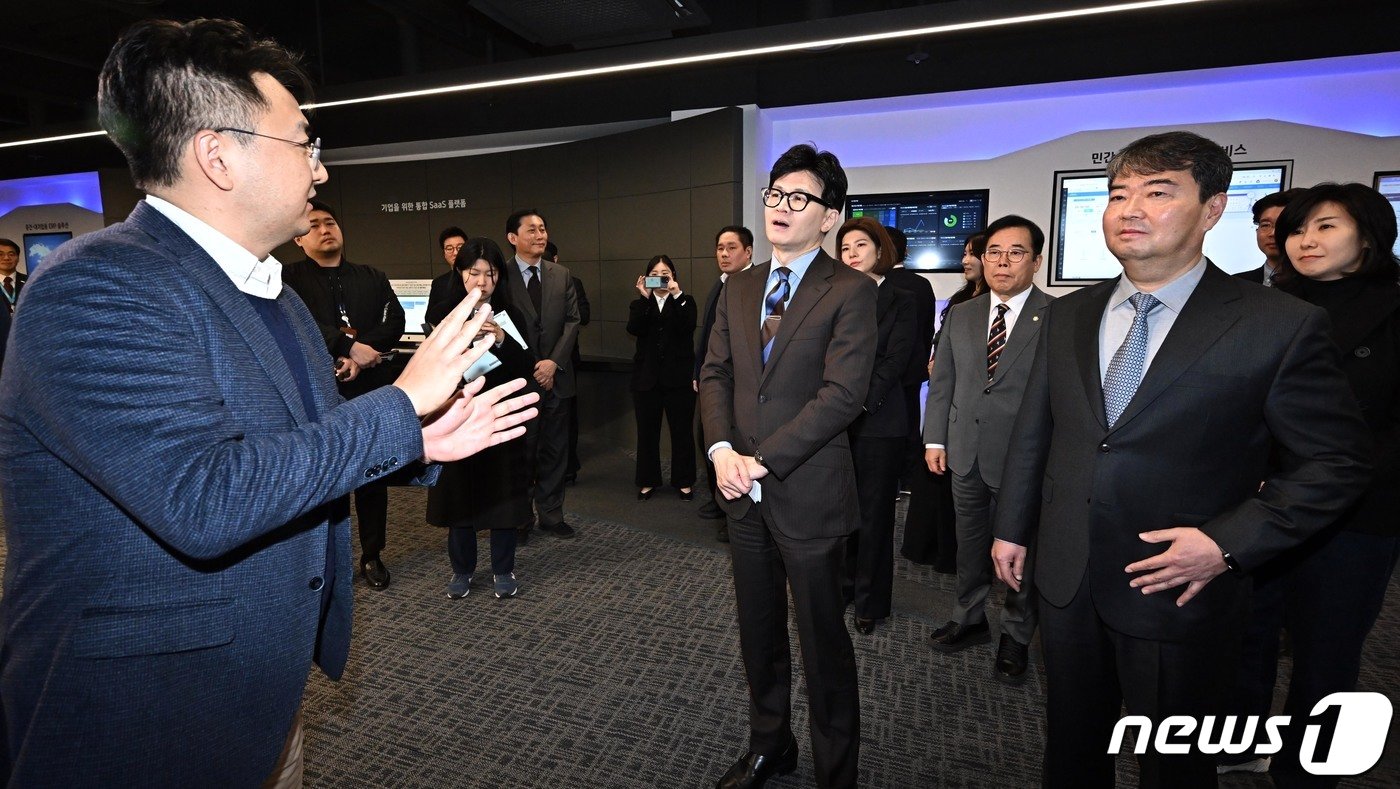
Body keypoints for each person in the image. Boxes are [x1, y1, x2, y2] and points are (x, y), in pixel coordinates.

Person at [0, 18, 537, 786]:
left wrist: (422, 439)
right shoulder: (97, 288)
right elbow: (204, 496)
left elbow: (303, 454)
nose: (320, 172)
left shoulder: (275, 296)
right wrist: (401, 408)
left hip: (263, 698)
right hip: (146, 717)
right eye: (303, 143)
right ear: (217, 154)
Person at [991, 130, 1371, 787]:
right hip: (1067, 572)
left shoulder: (1275, 323)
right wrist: (1011, 523)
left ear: (1213, 207)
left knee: (1175, 765)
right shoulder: (1070, 314)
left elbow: (1336, 461)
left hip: (1180, 585)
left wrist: (1227, 544)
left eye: (1157, 192)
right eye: (1117, 194)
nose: (1128, 209)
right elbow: (1038, 427)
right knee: (1072, 747)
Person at [699, 143, 875, 789]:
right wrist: (721, 451)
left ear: (829, 216)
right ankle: (771, 743)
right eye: (775, 194)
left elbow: (843, 395)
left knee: (824, 643)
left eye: (799, 198)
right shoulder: (740, 285)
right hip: (740, 492)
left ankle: (838, 770)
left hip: (808, 493)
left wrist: (761, 460)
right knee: (759, 633)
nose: (781, 207)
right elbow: (714, 373)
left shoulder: (851, 290)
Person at [1223, 182, 1400, 783]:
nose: (1303, 240)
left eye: (1325, 226)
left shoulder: (1396, 307)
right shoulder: (1261, 306)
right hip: (1257, 506)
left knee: (1326, 652)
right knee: (1247, 636)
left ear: (1369, 234)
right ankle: (1238, 744)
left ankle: (1305, 767)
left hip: (1356, 514)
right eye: (1297, 229)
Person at [923, 215, 1052, 685]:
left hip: (1024, 460)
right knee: (970, 543)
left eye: (1015, 252)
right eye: (994, 251)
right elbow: (944, 383)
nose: (1002, 261)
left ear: (1035, 261)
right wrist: (935, 437)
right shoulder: (962, 313)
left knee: (1022, 553)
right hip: (964, 452)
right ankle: (969, 616)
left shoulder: (1057, 317)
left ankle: (1017, 634)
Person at [284, 201, 406, 589]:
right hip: (317, 391)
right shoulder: (287, 279)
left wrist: (363, 352)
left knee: (373, 475)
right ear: (300, 239)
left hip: (370, 389)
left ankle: (372, 554)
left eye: (331, 222)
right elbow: (296, 324)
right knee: (323, 476)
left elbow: (395, 320)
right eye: (315, 225)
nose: (325, 230)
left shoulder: (371, 276)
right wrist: (344, 347)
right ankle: (321, 559)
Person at [427, 238, 539, 600]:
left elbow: (526, 368)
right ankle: (462, 571)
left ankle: (503, 569)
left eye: (489, 273)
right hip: (457, 416)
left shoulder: (511, 315)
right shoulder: (444, 315)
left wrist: (504, 338)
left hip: (498, 416)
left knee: (503, 496)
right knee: (459, 497)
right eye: (473, 272)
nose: (481, 280)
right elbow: (432, 369)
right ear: (460, 274)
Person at [836, 217, 915, 635]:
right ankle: (846, 586)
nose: (851, 253)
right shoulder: (832, 298)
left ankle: (871, 601)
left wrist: (855, 402)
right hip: (834, 424)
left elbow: (896, 362)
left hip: (878, 421)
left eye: (860, 245)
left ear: (880, 251)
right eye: (845, 247)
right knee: (842, 511)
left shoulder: (901, 299)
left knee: (875, 517)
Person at [901, 230, 987, 572]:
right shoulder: (962, 299)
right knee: (935, 473)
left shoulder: (994, 306)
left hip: (970, 406)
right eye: (965, 253)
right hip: (944, 400)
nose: (965, 260)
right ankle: (927, 547)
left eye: (972, 253)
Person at [502, 209, 581, 541]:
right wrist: (535, 364)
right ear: (513, 238)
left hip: (557, 378)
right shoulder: (500, 277)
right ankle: (520, 518)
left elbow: (572, 321)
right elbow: (500, 326)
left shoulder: (561, 274)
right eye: (531, 230)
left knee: (555, 451)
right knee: (523, 453)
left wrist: (552, 363)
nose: (539, 235)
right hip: (521, 380)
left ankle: (551, 514)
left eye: (543, 228)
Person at [696, 225, 753, 536]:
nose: (724, 254)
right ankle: (721, 501)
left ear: (748, 252)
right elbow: (707, 339)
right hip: (715, 378)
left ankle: (733, 515)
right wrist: (699, 374)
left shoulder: (754, 286)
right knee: (710, 436)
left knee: (737, 443)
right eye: (720, 248)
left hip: (741, 384)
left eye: (732, 248)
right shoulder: (720, 285)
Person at [628, 253, 698, 500]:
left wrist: (677, 295)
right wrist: (645, 298)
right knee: (647, 433)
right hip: (646, 380)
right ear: (647, 279)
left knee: (681, 432)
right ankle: (648, 480)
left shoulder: (685, 301)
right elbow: (635, 328)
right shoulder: (641, 303)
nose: (660, 280)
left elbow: (687, 326)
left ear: (674, 277)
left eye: (664, 275)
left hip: (678, 379)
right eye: (654, 276)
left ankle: (684, 481)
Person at [881, 225, 937, 493]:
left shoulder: (880, 285)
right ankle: (909, 481)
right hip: (913, 373)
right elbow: (928, 331)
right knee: (911, 426)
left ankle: (890, 482)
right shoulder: (922, 284)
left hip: (882, 376)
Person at [1233, 188, 1304, 287]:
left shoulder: (1318, 285)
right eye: (1266, 225)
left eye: (1282, 225)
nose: (1273, 233)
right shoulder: (1236, 283)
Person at [425, 225, 468, 326]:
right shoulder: (438, 283)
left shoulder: (479, 278)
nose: (455, 252)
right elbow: (430, 318)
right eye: (449, 248)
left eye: (460, 247)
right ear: (444, 253)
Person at [0, 238, 25, 314]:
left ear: (18, 258)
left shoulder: (31, 281)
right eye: (0, 254)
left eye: (11, 254)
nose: (6, 258)